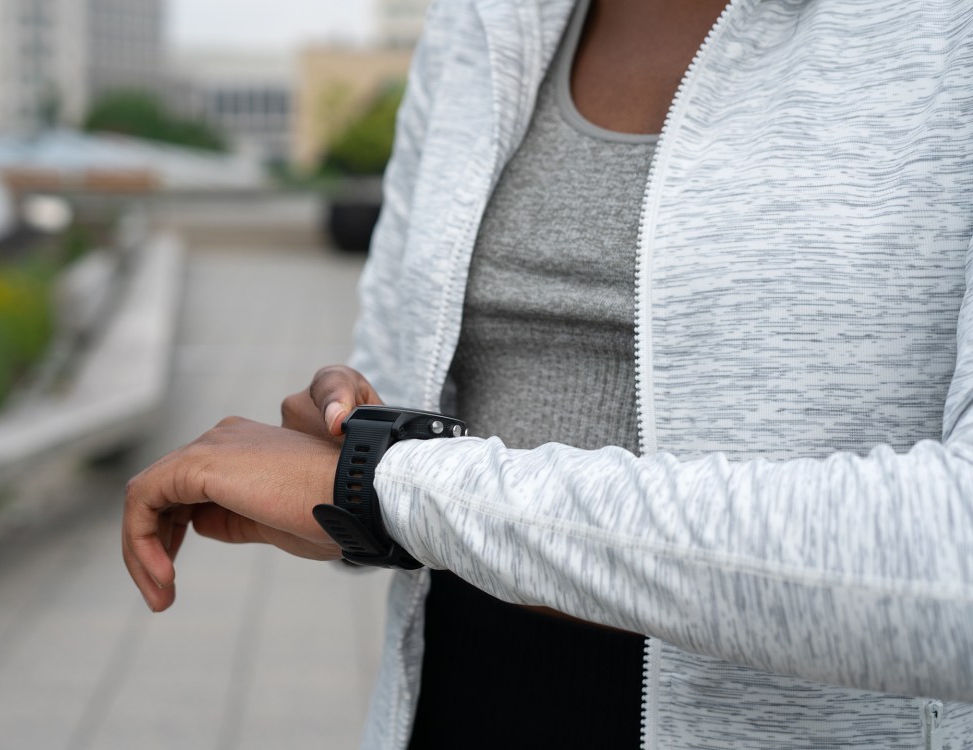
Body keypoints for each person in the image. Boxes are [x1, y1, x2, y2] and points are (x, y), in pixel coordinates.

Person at [122, 0, 973, 747]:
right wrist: (350, 458)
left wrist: (391, 485)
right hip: (451, 706)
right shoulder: (481, 18)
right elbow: (400, 456)